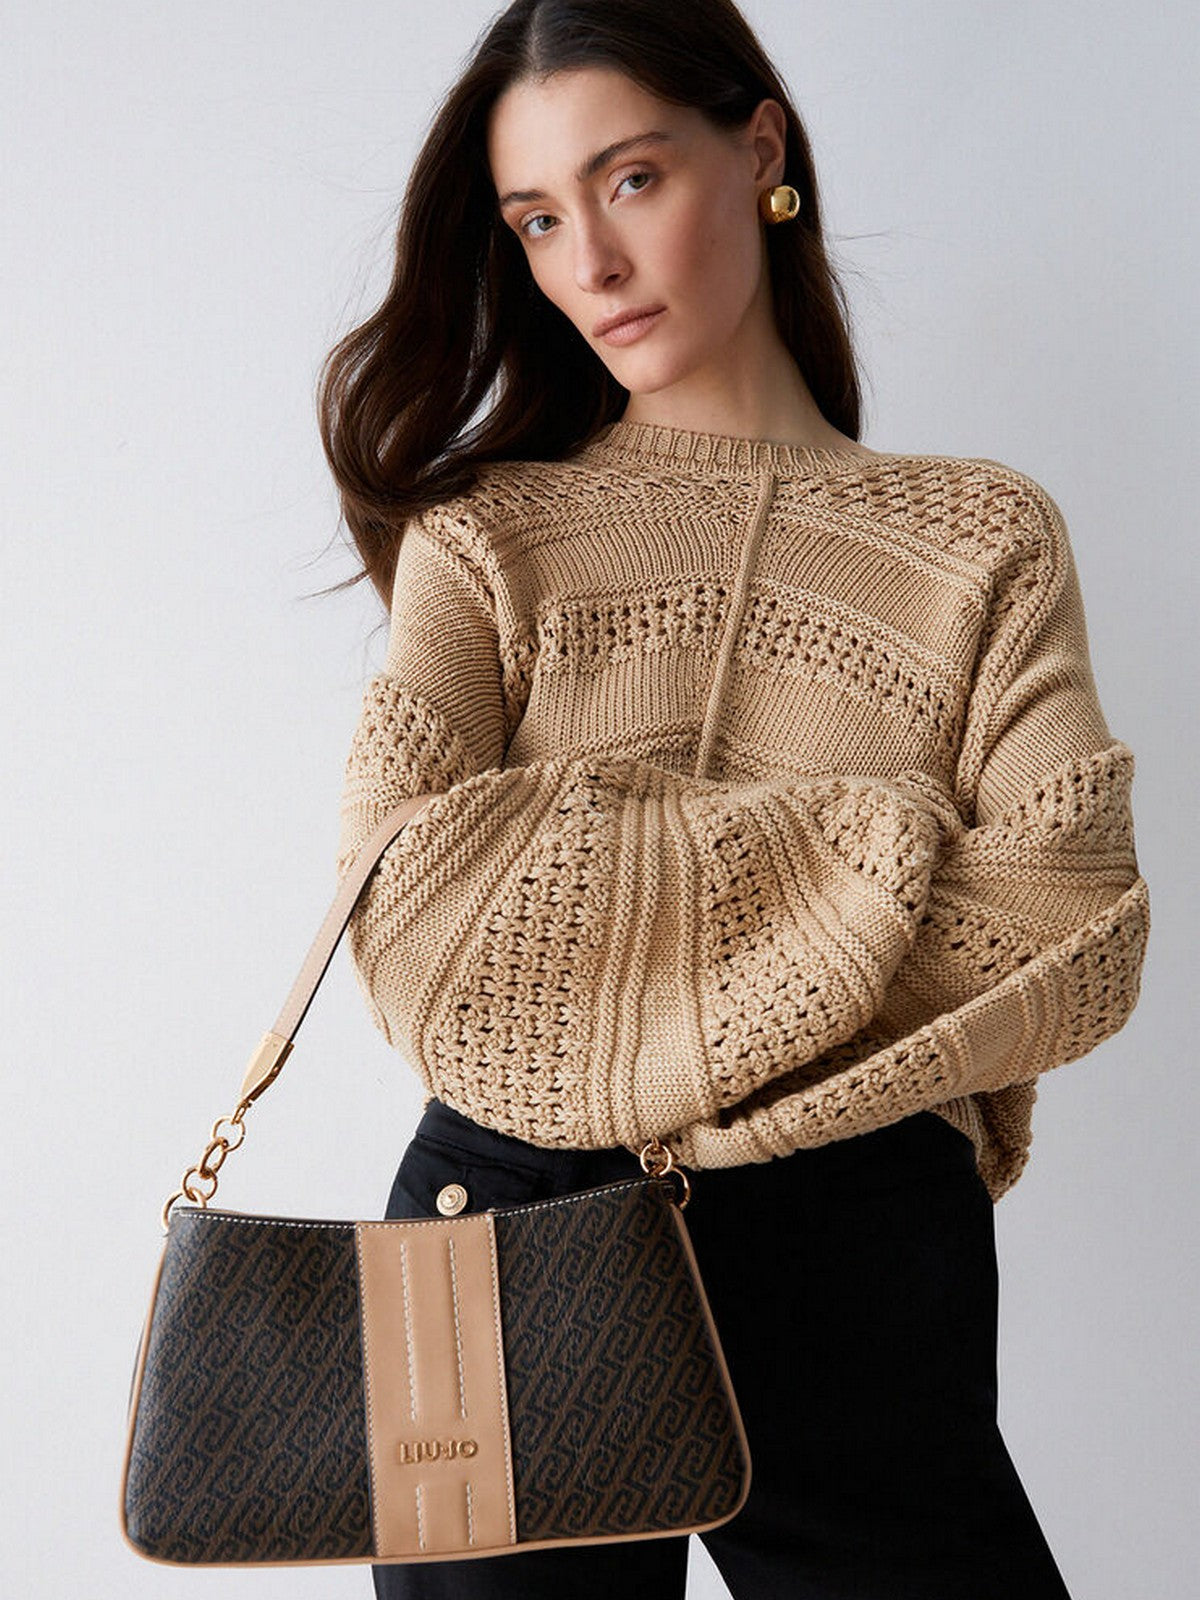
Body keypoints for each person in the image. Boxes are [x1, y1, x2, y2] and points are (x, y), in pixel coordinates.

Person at [320, 3, 1150, 1596]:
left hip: (851, 1231)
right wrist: (881, 851)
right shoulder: (486, 538)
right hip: (515, 1220)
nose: (591, 264)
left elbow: (1072, 916)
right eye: (538, 220)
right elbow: (411, 909)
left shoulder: (981, 540)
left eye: (629, 180)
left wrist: (586, 881)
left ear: (760, 149)